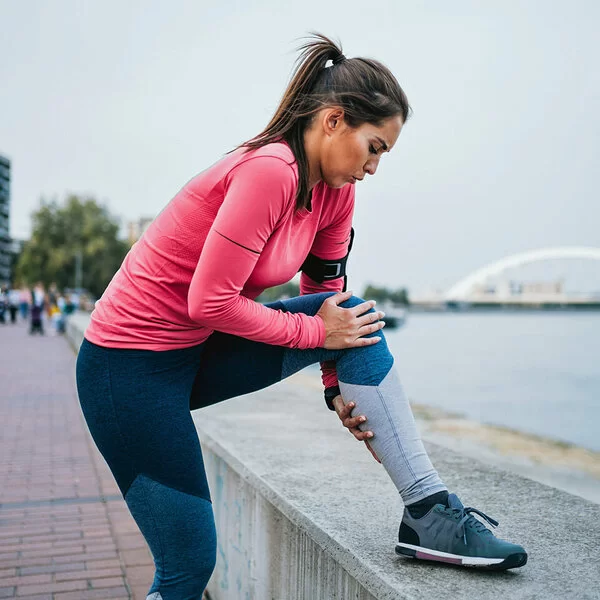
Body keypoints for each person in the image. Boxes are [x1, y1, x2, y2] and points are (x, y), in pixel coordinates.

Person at [76, 34, 527, 599]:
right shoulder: (270, 170)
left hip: (195, 354)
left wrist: (335, 383)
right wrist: (317, 333)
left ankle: (428, 514)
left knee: (354, 315)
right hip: (127, 372)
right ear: (334, 120)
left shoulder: (335, 191)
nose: (374, 167)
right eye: (375, 147)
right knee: (189, 566)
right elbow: (208, 302)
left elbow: (327, 293)